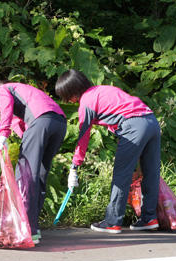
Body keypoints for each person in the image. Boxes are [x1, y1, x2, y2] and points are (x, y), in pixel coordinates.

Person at [55, 69, 161, 233]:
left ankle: (112, 221)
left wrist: (74, 166)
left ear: (73, 93)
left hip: (133, 125)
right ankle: (149, 218)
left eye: (67, 97)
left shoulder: (86, 102)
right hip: (151, 121)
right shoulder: (102, 90)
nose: (69, 101)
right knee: (151, 172)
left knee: (122, 174)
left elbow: (83, 137)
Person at [0, 82, 67, 244]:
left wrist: (3, 134)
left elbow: (6, 108)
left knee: (25, 176)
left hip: (41, 121)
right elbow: (18, 125)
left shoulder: (1, 90)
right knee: (39, 173)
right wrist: (26, 141)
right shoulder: (27, 91)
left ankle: (27, 229)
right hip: (60, 124)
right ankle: (34, 227)